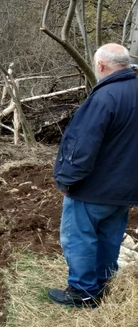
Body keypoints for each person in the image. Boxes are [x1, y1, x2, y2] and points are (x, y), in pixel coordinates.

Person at [48, 43, 138, 308]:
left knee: (79, 237)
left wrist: (66, 179)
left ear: (100, 65)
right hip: (125, 188)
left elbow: (82, 144)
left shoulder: (104, 97)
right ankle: (102, 285)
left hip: (94, 187)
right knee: (109, 237)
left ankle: (83, 292)